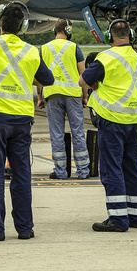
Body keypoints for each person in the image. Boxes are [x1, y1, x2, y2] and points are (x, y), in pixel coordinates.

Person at [0, 2, 54, 242]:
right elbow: (48, 79)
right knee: (22, 173)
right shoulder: (32, 51)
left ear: (0, 23)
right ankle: (25, 227)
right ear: (23, 26)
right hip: (22, 120)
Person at [79, 19, 137, 232]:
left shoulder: (106, 57)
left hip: (112, 120)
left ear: (110, 37)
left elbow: (83, 81)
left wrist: (96, 83)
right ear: (130, 36)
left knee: (112, 169)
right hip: (134, 120)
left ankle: (118, 218)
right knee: (132, 167)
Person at [36, 19, 89, 179]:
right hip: (72, 95)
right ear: (68, 31)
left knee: (57, 133)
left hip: (52, 94)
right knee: (78, 132)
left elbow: (39, 75)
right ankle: (83, 171)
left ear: (54, 31)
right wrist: (85, 96)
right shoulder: (74, 48)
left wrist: (40, 96)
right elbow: (83, 73)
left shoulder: (44, 48)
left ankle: (60, 171)